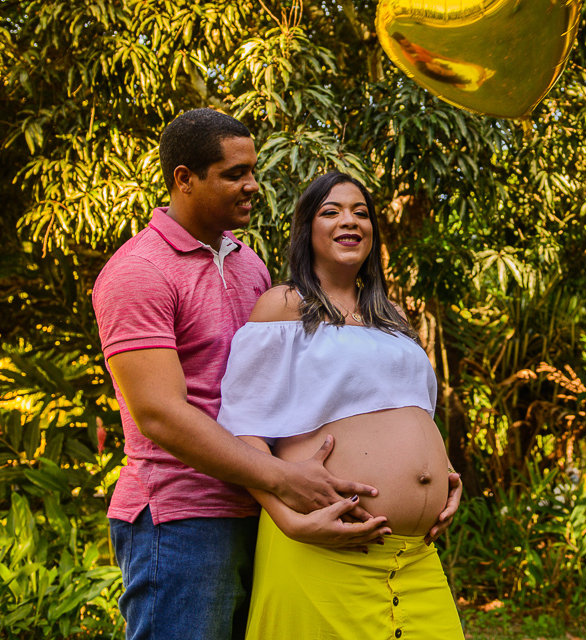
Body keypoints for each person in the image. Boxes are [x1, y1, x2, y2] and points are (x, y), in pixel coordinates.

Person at [92, 111, 388, 640]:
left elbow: (276, 390)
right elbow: (160, 414)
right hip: (185, 518)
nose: (253, 185)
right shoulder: (139, 271)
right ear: (184, 179)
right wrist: (279, 476)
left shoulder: (249, 264)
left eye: (253, 171)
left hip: (263, 510)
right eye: (235, 174)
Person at [217, 170, 464, 640]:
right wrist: (289, 520)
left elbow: (411, 413)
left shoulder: (393, 317)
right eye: (331, 211)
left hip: (415, 556)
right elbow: (241, 426)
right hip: (323, 546)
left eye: (361, 212)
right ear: (307, 229)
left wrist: (444, 475)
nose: (349, 220)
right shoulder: (283, 306)